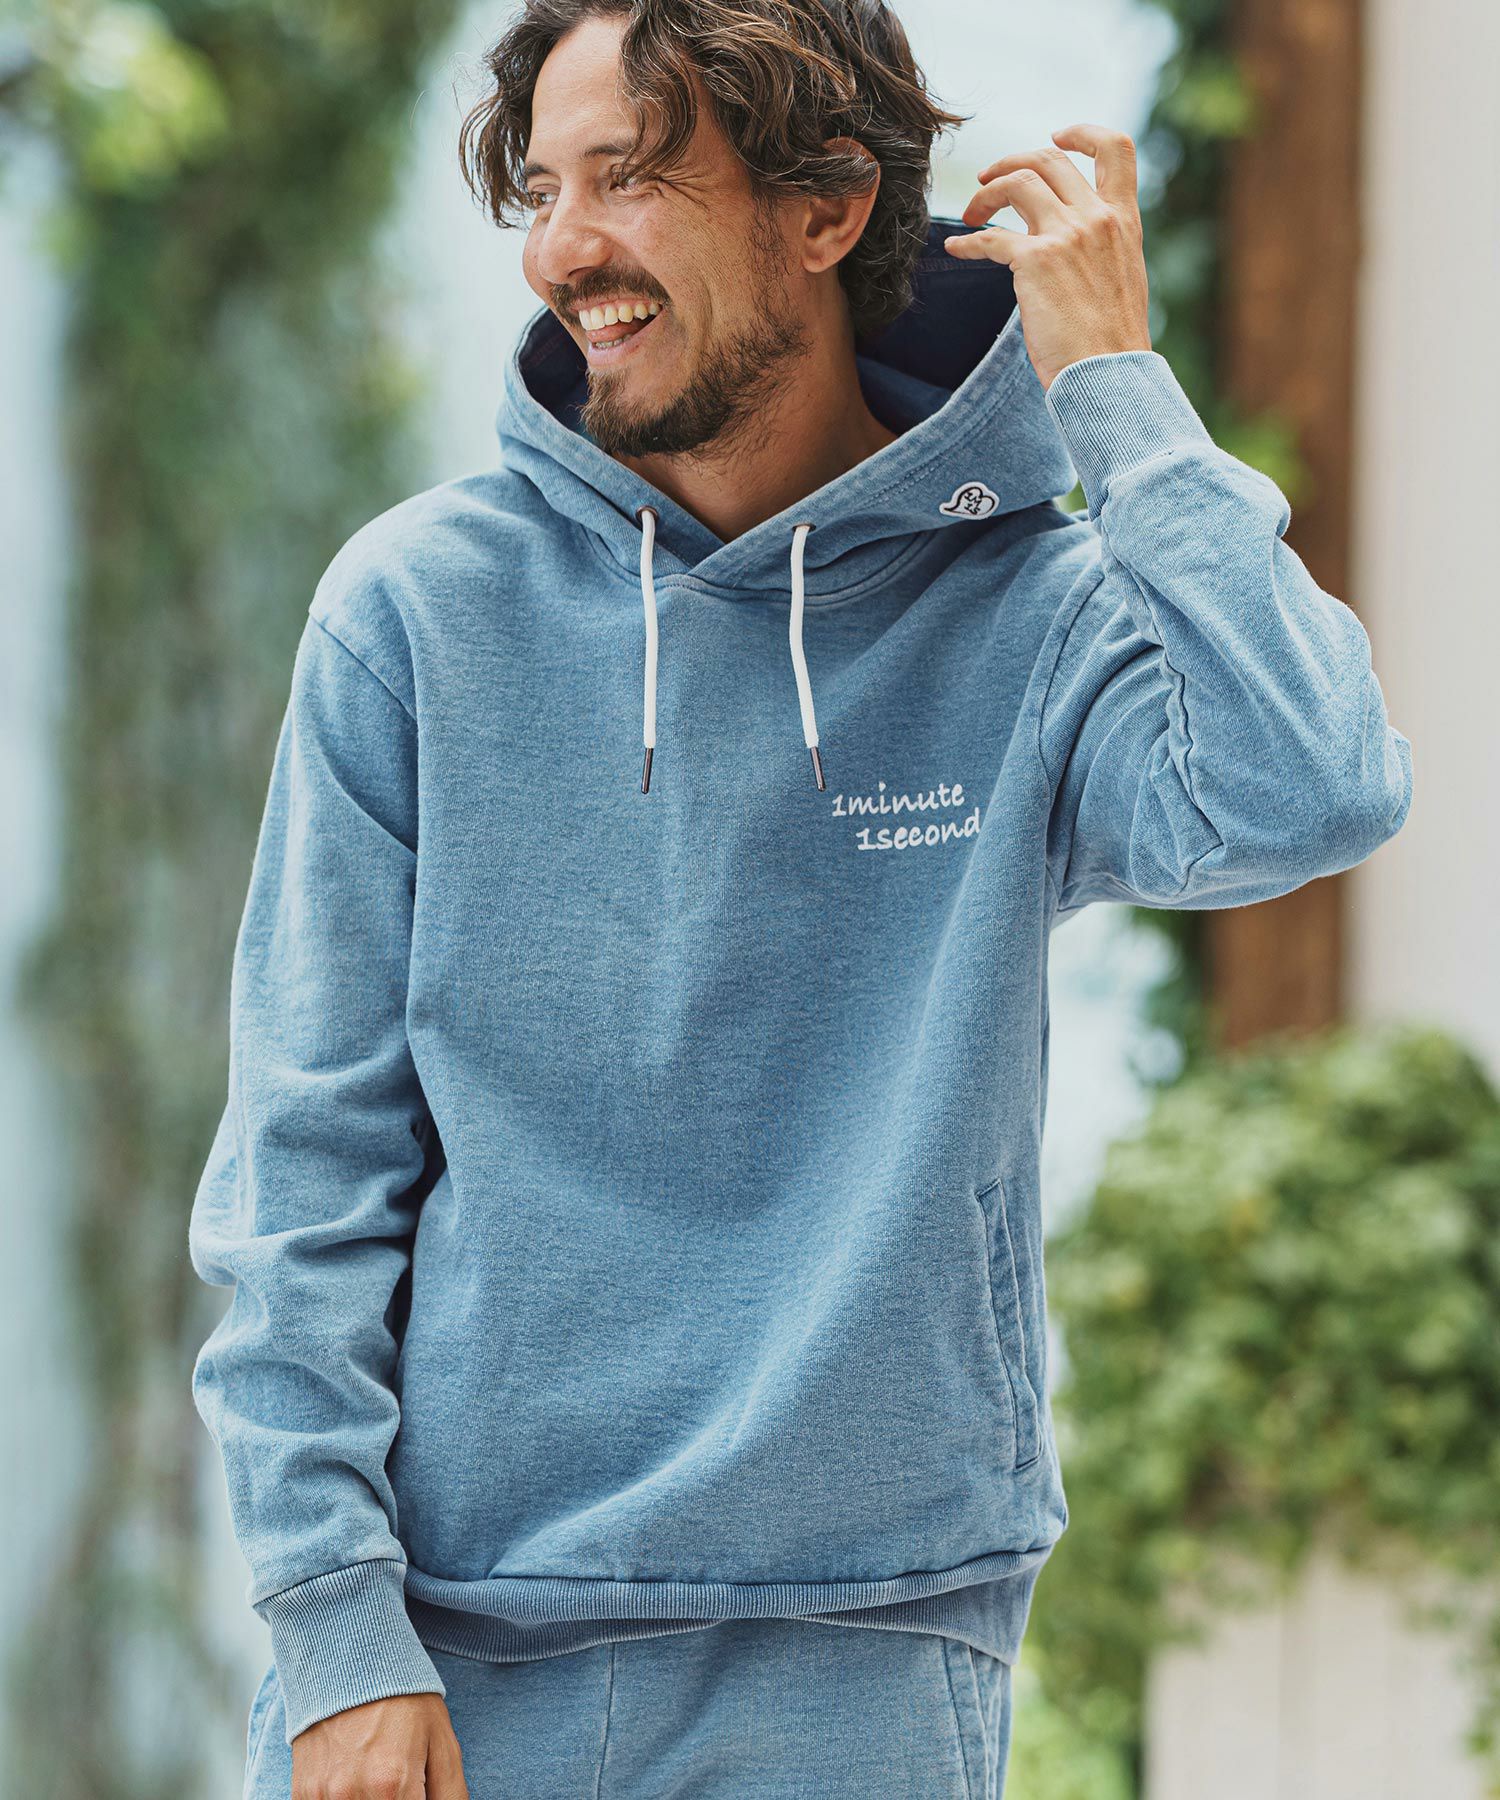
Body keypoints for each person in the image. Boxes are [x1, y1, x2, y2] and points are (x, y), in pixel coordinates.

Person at [187, 0, 1415, 1794]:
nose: (559, 250)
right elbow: (305, 1168)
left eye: (626, 177)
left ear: (826, 208)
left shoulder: (1033, 617)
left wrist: (1118, 392)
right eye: (543, 188)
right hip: (442, 1668)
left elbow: (1313, 785)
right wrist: (333, 1626)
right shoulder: (416, 612)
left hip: (868, 1665)